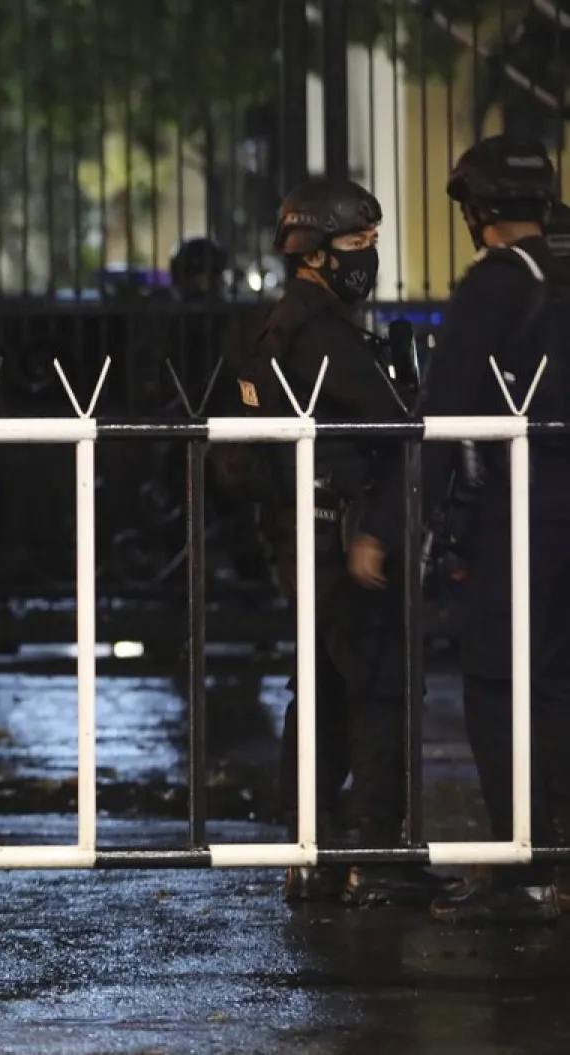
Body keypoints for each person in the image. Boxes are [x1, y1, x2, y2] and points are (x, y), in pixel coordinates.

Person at [350, 136, 570, 924]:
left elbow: (441, 415)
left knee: (502, 678)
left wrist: (388, 525)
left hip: (525, 512)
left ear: (476, 211)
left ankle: (531, 858)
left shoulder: (494, 287)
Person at [232, 178, 443, 908]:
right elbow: (390, 423)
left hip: (310, 533)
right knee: (379, 686)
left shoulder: (287, 321)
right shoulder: (318, 331)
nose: (370, 256)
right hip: (344, 533)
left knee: (320, 690)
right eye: (358, 244)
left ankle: (311, 848)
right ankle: (379, 855)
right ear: (315, 252)